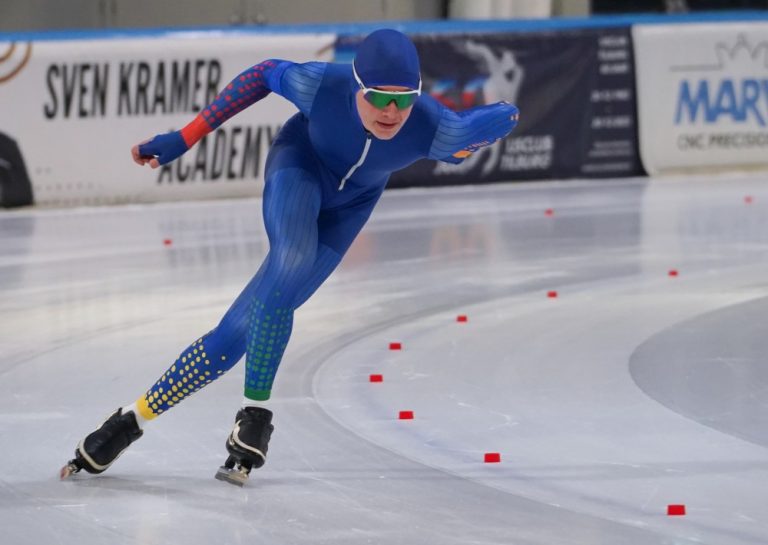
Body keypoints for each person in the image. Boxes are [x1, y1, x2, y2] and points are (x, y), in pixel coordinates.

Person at [61, 28, 519, 486]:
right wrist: (186, 135)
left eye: (405, 99)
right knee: (293, 258)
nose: (392, 112)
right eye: (379, 97)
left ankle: (127, 422)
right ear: (358, 86)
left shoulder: (436, 126)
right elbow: (261, 75)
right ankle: (256, 415)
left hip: (352, 207)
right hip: (299, 167)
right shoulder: (321, 84)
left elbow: (495, 117)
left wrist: (497, 120)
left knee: (234, 335)